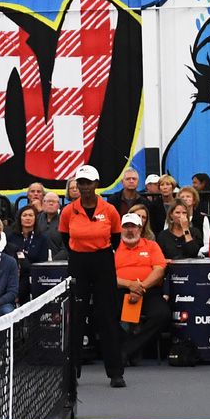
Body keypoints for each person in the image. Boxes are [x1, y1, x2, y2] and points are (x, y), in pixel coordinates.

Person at [61, 166, 126, 388]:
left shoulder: (109, 210)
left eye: (89, 182)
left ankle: (115, 372)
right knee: (76, 318)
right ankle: (72, 373)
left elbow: (116, 238)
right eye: (81, 183)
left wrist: (98, 252)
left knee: (107, 317)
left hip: (103, 263)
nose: (85, 187)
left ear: (96, 184)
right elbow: (65, 238)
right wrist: (82, 253)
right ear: (76, 185)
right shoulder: (69, 211)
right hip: (78, 263)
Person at [112, 213, 169, 369]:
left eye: (133, 227)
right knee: (103, 312)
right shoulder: (112, 247)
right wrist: (130, 285)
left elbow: (159, 270)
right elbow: (106, 276)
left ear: (140, 229)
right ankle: (128, 349)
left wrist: (141, 287)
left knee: (162, 314)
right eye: (126, 227)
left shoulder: (151, 245)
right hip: (120, 290)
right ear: (120, 229)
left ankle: (127, 349)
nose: (130, 230)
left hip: (148, 290)